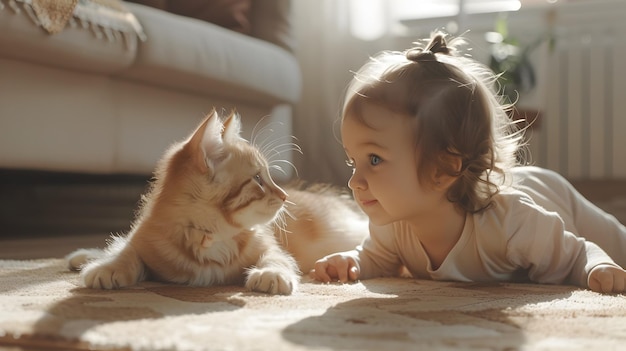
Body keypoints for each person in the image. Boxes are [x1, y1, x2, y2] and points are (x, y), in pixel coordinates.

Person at [312, 31, 626, 294]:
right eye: (353, 160)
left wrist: (596, 265)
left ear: (443, 169)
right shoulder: (392, 222)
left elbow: (576, 254)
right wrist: (352, 260)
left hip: (551, 195)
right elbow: (378, 259)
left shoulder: (511, 223)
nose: (354, 180)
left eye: (374, 159)